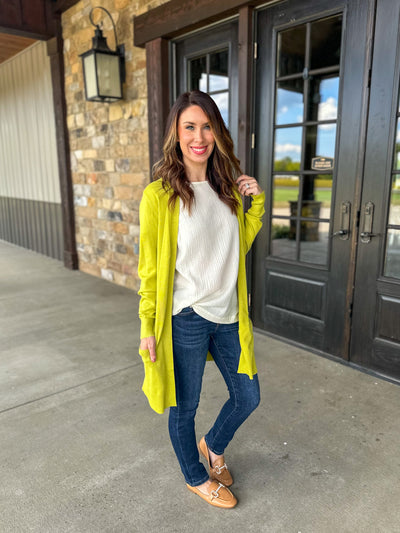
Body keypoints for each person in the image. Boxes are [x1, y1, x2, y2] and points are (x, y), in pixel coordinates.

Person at [138, 90, 265, 509]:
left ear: (217, 133)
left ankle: (212, 446)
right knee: (184, 406)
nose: (199, 137)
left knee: (248, 396)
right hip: (186, 317)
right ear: (176, 134)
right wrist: (147, 327)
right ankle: (196, 476)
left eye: (207, 126)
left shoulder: (227, 187)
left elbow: (235, 248)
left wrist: (255, 206)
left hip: (229, 314)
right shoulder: (159, 195)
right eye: (189, 127)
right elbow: (150, 270)